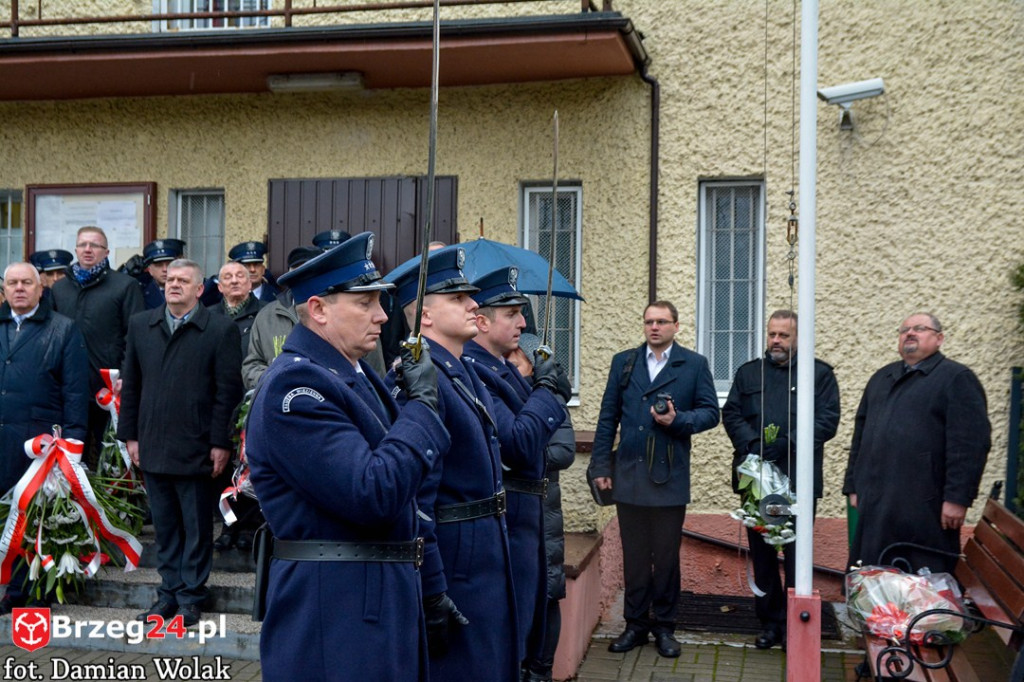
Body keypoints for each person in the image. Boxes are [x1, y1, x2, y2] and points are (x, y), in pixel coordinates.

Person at [245, 232, 449, 682]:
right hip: (335, 610)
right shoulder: (296, 389)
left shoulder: (353, 374)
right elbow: (372, 492)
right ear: (318, 309)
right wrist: (422, 406)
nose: (381, 315)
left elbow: (414, 484)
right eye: (365, 303)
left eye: (380, 302)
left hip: (371, 601)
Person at [387, 247, 528, 682]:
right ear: (425, 316)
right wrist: (432, 586)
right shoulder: (421, 379)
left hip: (484, 551)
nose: (473, 304)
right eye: (458, 299)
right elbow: (417, 498)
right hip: (455, 559)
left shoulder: (461, 370)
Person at [589, 300, 720, 658]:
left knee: (664, 558)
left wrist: (677, 422)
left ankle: (665, 627)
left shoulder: (693, 365)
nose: (655, 327)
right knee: (633, 556)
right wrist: (601, 466)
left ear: (676, 326)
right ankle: (635, 626)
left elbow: (712, 413)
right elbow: (606, 419)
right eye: (649, 321)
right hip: (629, 475)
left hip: (668, 477)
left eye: (662, 321)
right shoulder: (625, 362)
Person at [117, 259, 243, 627]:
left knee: (196, 527)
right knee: (167, 528)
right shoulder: (142, 324)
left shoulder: (219, 329)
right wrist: (131, 436)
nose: (174, 285)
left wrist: (221, 442)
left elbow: (228, 393)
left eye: (183, 280)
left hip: (198, 447)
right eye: (170, 279)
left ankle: (191, 597)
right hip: (153, 444)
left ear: (200, 289)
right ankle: (167, 594)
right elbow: (132, 385)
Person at [462, 266, 568, 667]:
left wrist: (546, 384)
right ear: (483, 320)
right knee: (509, 647)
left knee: (528, 638)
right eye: (512, 313)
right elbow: (521, 446)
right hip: (508, 521)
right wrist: (545, 389)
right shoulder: (475, 370)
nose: (523, 323)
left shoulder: (503, 366)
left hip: (529, 521)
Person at [721, 309, 840, 650]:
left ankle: (795, 626)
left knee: (795, 554)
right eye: (772, 334)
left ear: (798, 338)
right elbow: (731, 413)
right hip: (757, 482)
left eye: (783, 335)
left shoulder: (818, 375)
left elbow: (828, 421)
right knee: (763, 555)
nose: (775, 341)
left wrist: (788, 443)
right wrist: (753, 444)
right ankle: (770, 623)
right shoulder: (749, 374)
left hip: (797, 481)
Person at [844, 313, 991, 574]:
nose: (910, 333)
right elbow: (861, 436)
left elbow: (970, 444)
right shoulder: (882, 378)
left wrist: (958, 498)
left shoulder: (956, 378)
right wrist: (853, 486)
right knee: (876, 582)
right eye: (904, 330)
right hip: (877, 504)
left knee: (921, 588)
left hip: (926, 508)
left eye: (920, 329)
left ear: (939, 338)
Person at [0, 263, 90, 613]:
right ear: (4, 289)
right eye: (12, 283)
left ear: (41, 289)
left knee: (30, 517)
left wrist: (74, 443)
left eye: (26, 282)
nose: (19, 288)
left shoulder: (63, 329)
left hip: (37, 443)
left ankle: (25, 591)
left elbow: (74, 392)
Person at [510, 332, 576, 682]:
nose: (511, 363)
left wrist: (521, 454)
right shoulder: (500, 394)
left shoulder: (549, 399)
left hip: (544, 510)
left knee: (548, 593)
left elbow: (564, 451)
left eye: (518, 359)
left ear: (533, 366)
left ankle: (542, 669)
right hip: (516, 512)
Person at [51, 226, 145, 468]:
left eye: (95, 245)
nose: (88, 249)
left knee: (112, 461)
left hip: (110, 389)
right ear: (75, 250)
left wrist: (126, 375)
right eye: (83, 245)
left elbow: (135, 338)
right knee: (70, 460)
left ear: (107, 252)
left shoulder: (125, 286)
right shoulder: (59, 289)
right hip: (69, 388)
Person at [241, 246, 321, 391]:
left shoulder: (343, 314)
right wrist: (276, 378)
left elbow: (369, 370)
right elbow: (251, 367)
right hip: (278, 404)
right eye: (296, 271)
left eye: (309, 271)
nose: (301, 278)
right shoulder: (267, 316)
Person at [209, 261, 263, 354]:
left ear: (249, 284)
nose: (234, 281)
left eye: (240, 276)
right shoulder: (208, 315)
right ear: (220, 287)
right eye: (228, 277)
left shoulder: (266, 312)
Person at [139, 239, 186, 310]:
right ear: (150, 269)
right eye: (159, 265)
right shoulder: (141, 292)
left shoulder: (194, 288)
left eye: (169, 263)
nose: (165, 269)